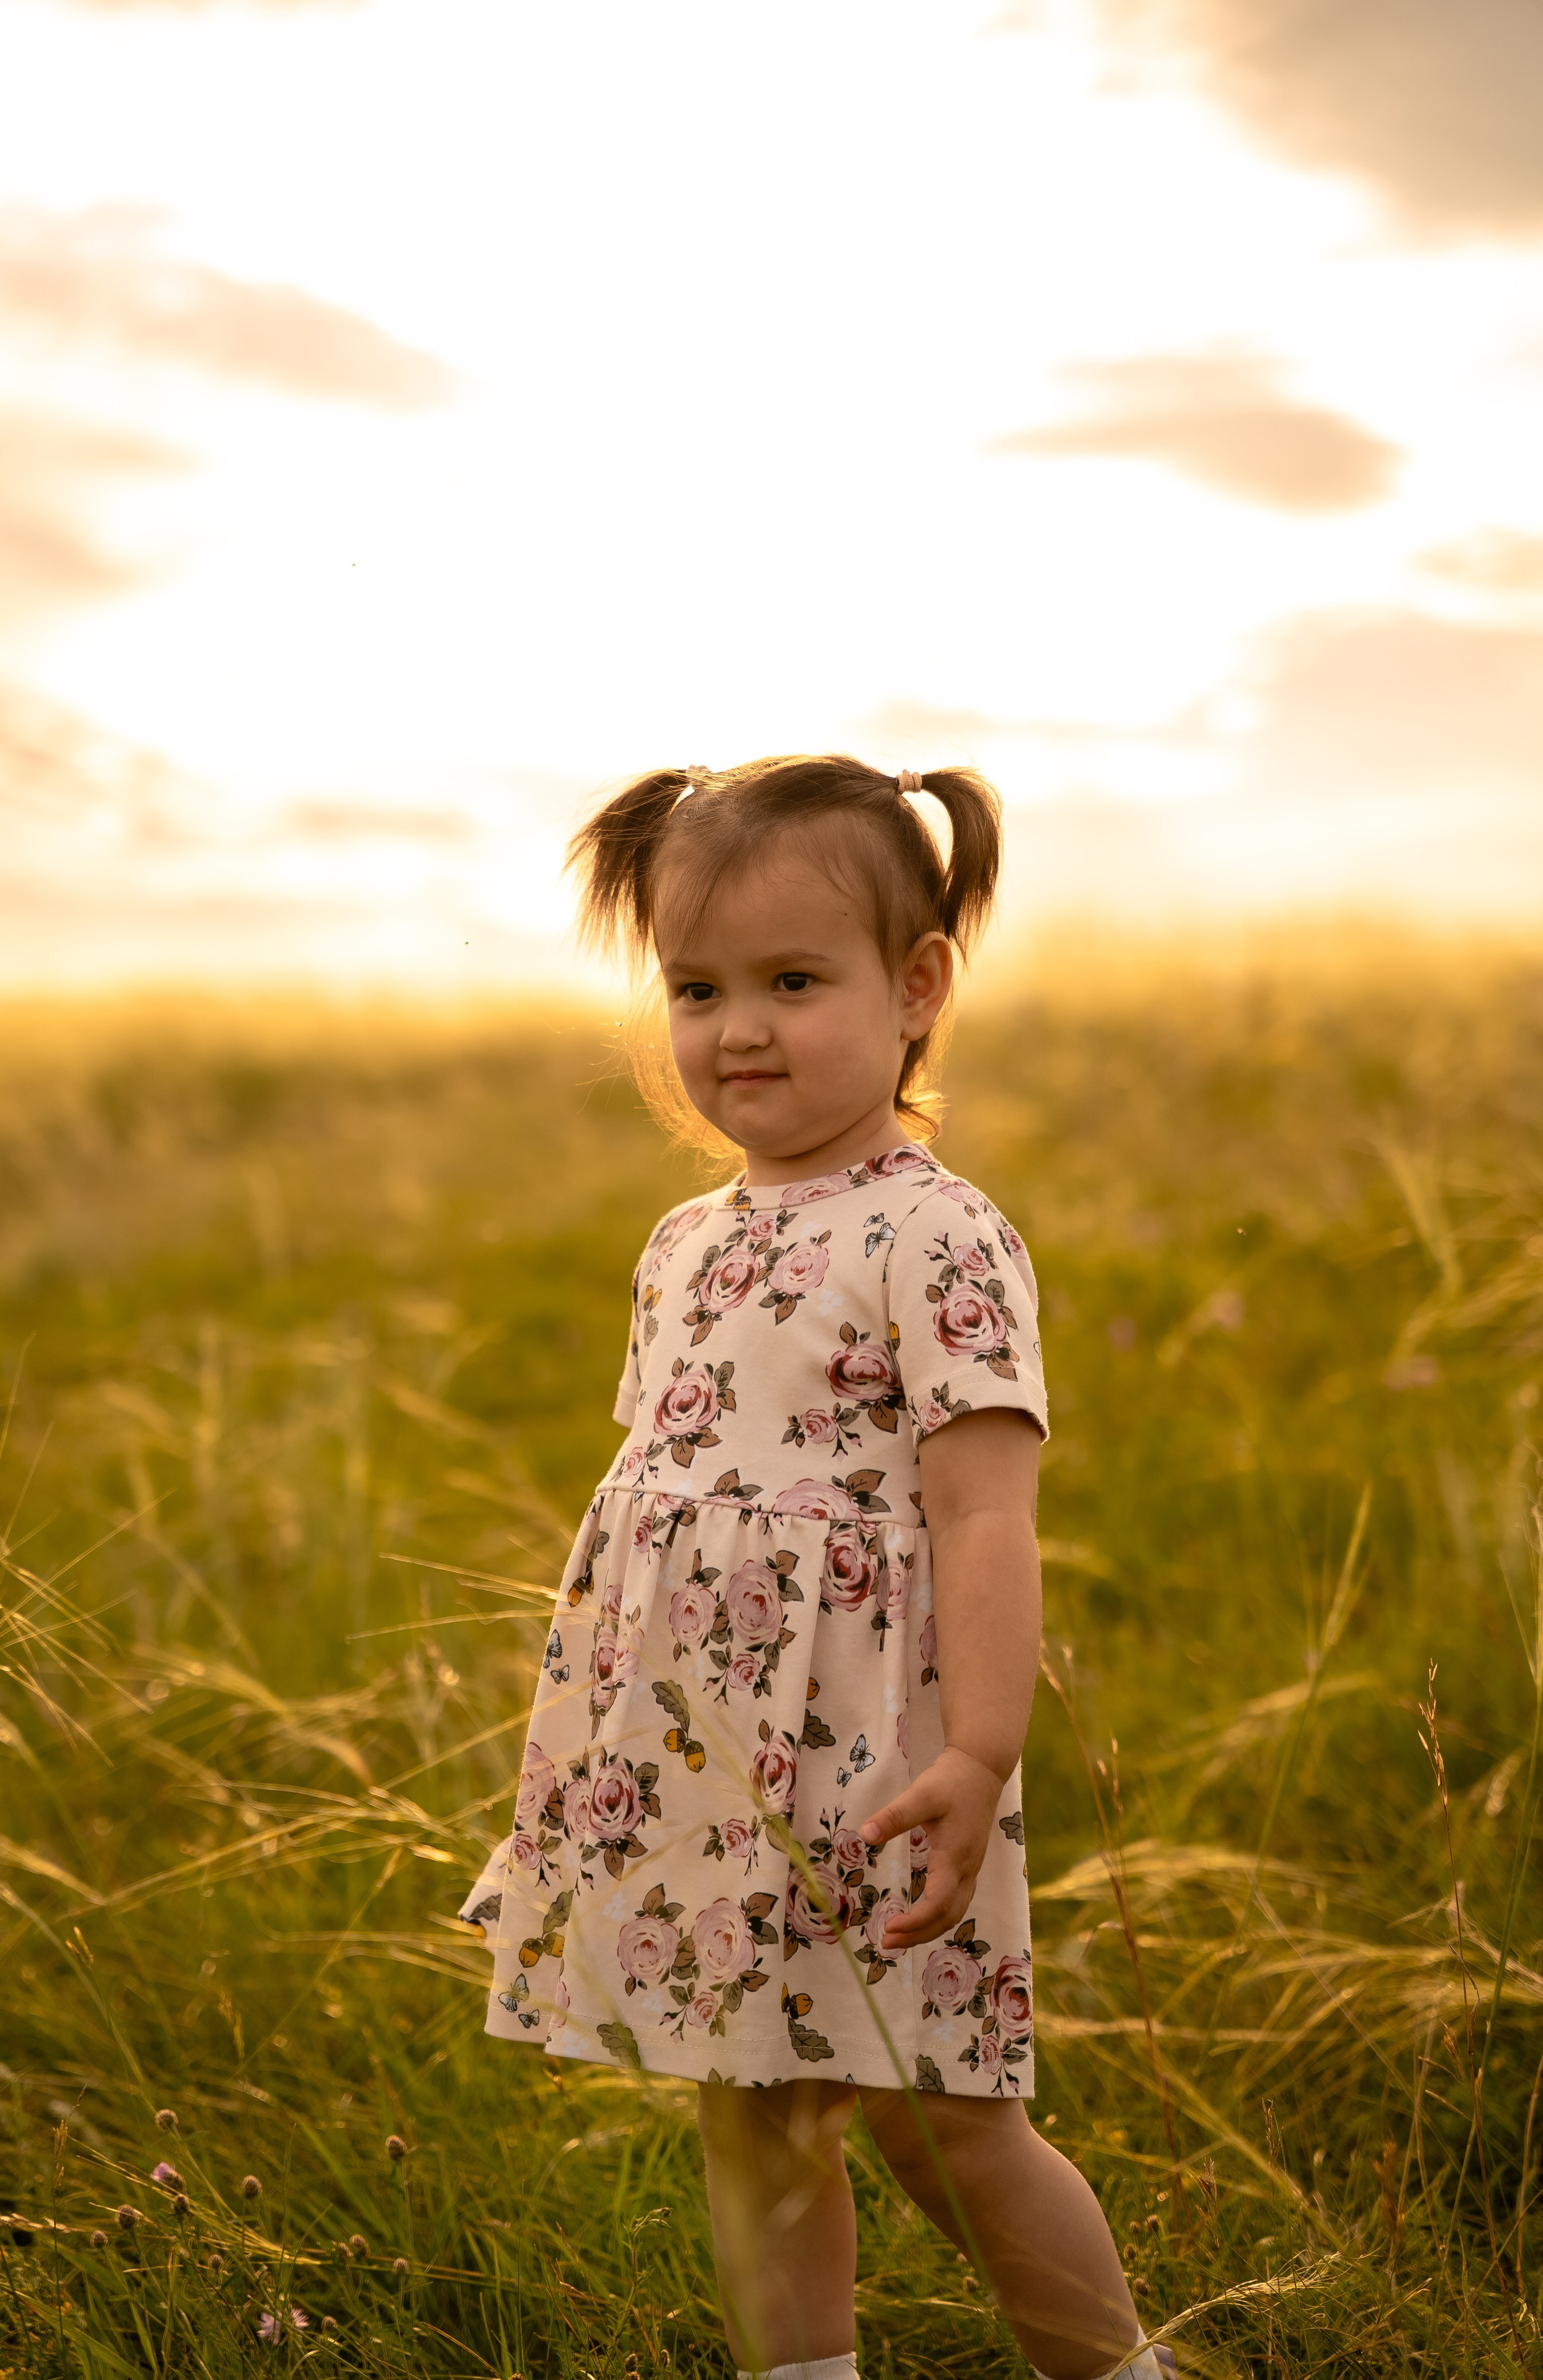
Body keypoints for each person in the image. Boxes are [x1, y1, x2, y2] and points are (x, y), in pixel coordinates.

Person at [460, 756, 1174, 2380]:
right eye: (698, 988)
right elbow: (667, 1514)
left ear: (917, 989)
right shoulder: (685, 1246)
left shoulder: (937, 1235)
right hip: (709, 1762)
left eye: (795, 981)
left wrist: (981, 1755)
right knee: (758, 2115)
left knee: (951, 2129)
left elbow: (987, 1512)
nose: (740, 1030)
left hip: (882, 1766)